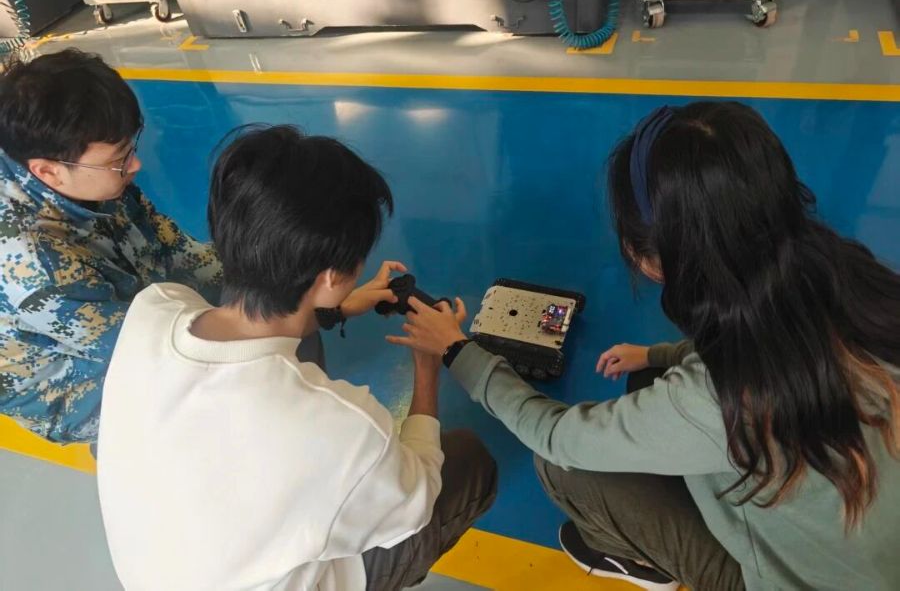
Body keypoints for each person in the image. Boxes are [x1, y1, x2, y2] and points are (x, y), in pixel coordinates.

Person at [388, 102, 900, 590]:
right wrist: (658, 356)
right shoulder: (856, 281)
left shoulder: (717, 399)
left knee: (562, 469)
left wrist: (458, 350)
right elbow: (767, 347)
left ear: (654, 258)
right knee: (648, 380)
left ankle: (641, 562)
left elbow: (558, 436)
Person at [96, 125, 497, 591]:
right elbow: (418, 498)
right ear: (329, 279)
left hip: (154, 573)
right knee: (469, 461)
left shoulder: (155, 308)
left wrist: (337, 305)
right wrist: (427, 370)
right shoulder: (347, 428)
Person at [0, 49, 221, 443]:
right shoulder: (36, 268)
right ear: (49, 172)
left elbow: (171, 245)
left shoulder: (84, 173)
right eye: (120, 160)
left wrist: (269, 273)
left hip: (109, 303)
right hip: (68, 384)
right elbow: (155, 348)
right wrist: (273, 317)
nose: (134, 165)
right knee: (210, 395)